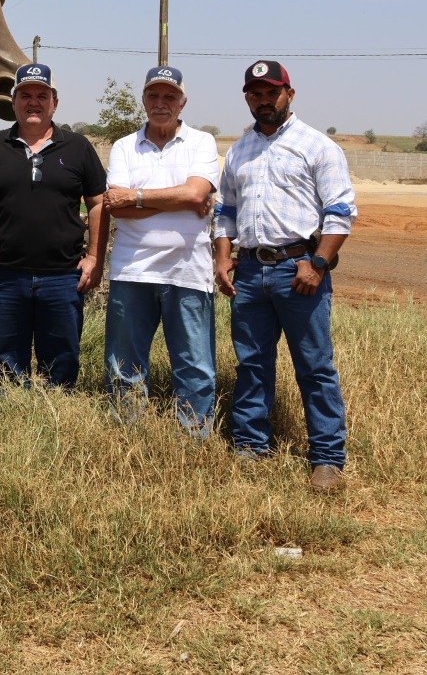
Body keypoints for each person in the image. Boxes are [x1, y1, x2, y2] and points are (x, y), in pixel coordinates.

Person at [214, 60, 356, 492]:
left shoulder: (318, 147)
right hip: (251, 270)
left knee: (314, 366)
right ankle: (251, 446)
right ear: (247, 98)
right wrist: (223, 259)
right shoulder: (239, 150)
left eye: (271, 92)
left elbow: (340, 211)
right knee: (253, 363)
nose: (263, 100)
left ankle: (327, 459)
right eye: (255, 93)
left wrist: (319, 264)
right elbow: (226, 212)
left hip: (300, 270)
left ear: (289, 95)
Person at [0, 63, 106, 390]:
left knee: (62, 358)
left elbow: (99, 202)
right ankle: (11, 425)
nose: (34, 102)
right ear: (13, 102)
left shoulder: (78, 147)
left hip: (62, 275)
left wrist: (94, 257)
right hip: (6, 272)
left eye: (42, 95)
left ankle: (57, 419)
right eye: (25, 95)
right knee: (5, 358)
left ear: (54, 102)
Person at [101, 66, 221, 436]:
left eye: (169, 96)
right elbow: (114, 207)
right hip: (131, 270)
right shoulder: (124, 146)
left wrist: (137, 197)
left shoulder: (202, 143)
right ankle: (128, 437)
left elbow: (195, 193)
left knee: (195, 365)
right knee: (124, 364)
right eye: (153, 96)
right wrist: (183, 199)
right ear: (143, 101)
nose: (161, 103)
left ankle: (193, 440)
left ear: (182, 102)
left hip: (188, 271)